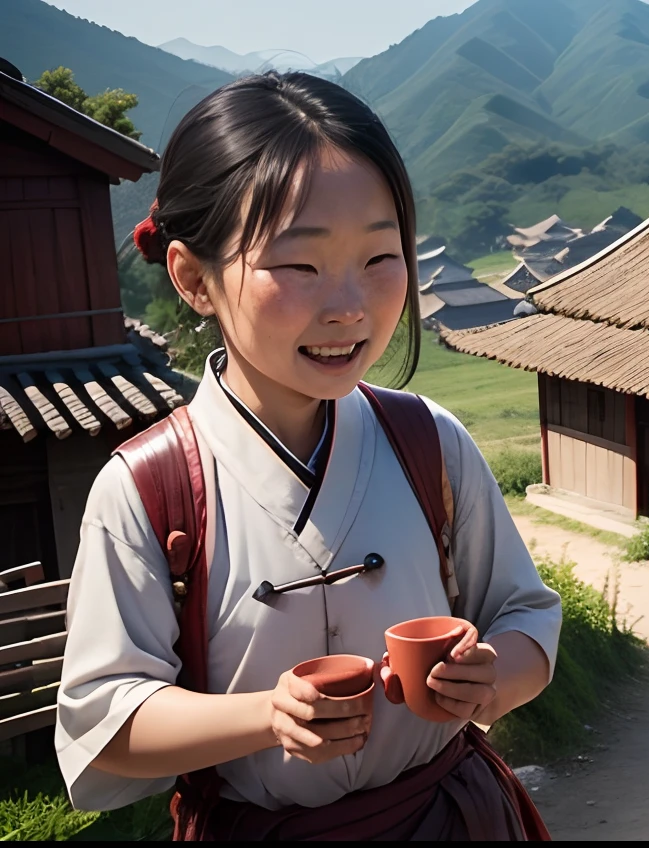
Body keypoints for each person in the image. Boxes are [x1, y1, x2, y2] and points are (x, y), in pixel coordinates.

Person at [53, 72, 561, 840]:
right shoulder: (148, 489)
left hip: (452, 819)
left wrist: (491, 678)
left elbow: (524, 612)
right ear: (194, 278)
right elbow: (106, 715)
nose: (349, 305)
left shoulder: (430, 442)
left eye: (380, 257)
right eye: (299, 266)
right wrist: (266, 717)